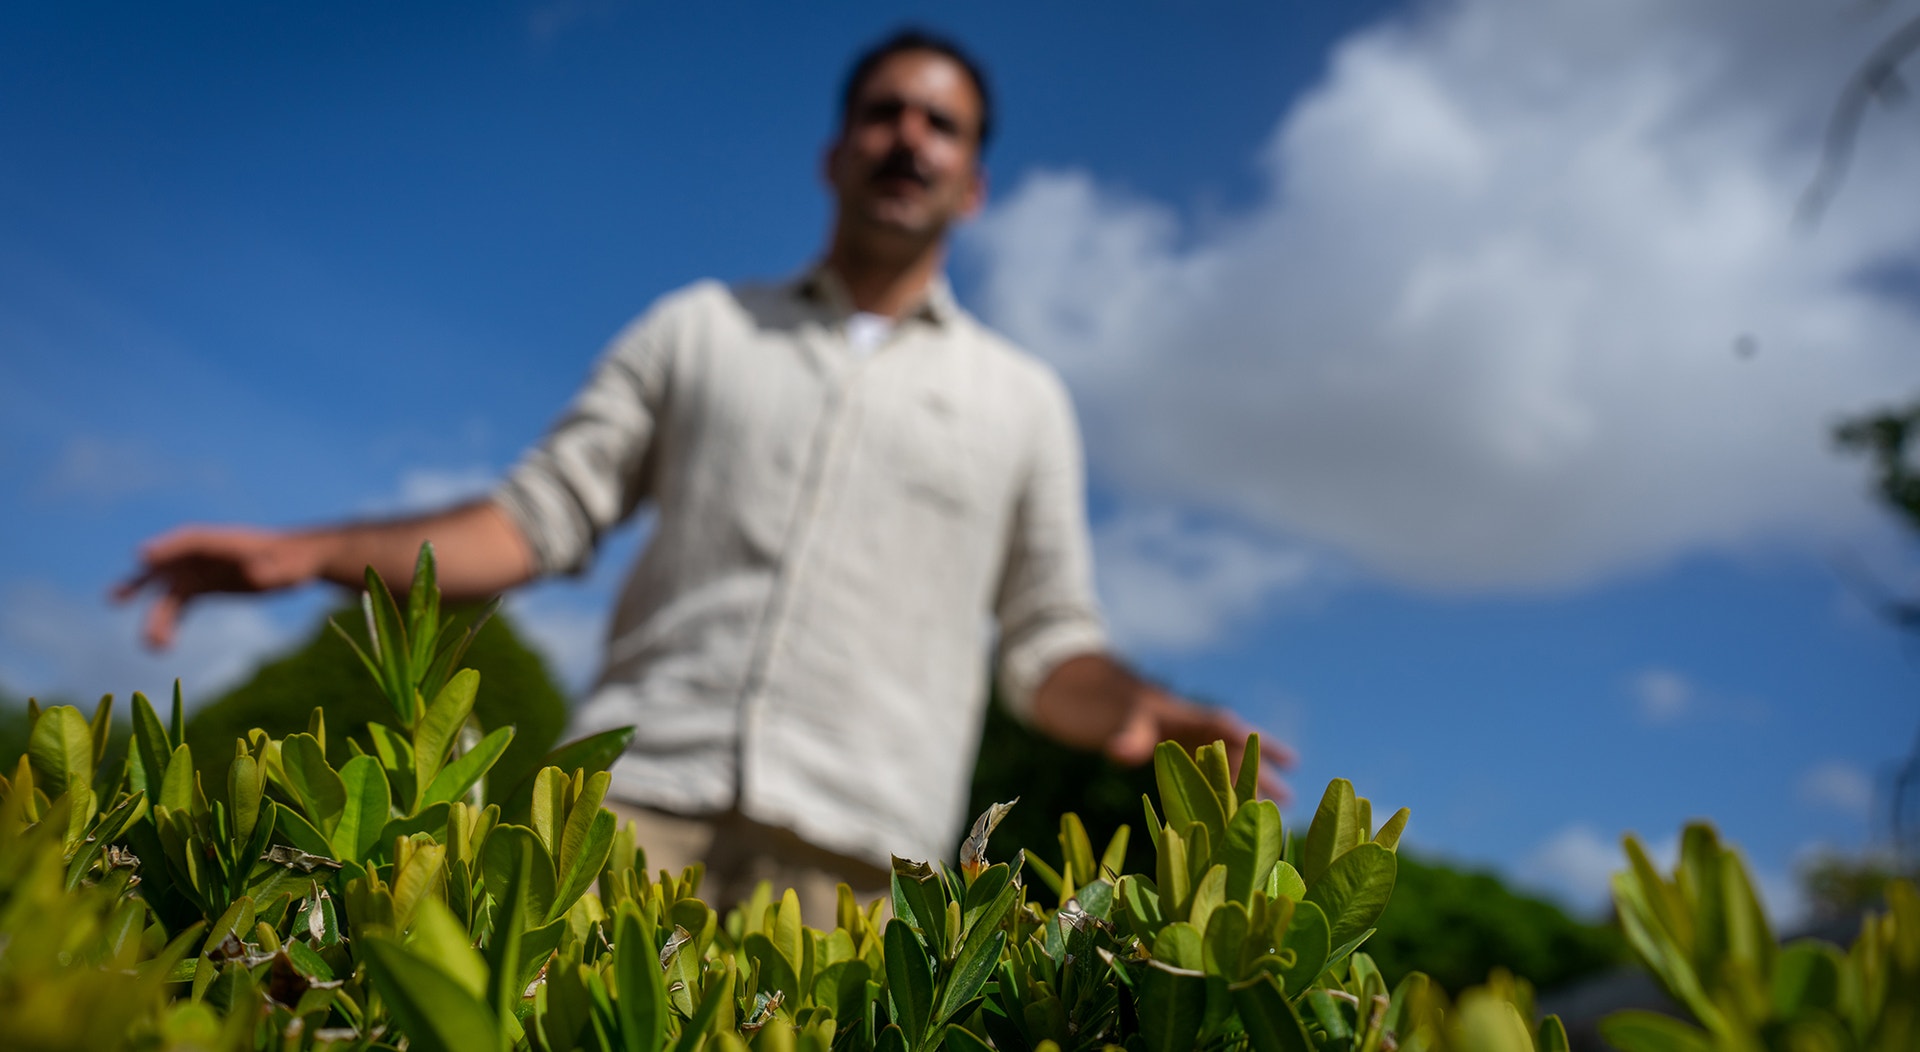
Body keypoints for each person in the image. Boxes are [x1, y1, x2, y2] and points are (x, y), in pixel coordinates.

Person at [115, 29, 1292, 924]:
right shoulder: (698, 330)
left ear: (973, 183)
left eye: (944, 126)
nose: (911, 138)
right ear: (836, 152)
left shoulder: (1023, 401)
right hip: (632, 807)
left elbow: (1048, 652)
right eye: (886, 113)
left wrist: (1138, 707)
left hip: (861, 858)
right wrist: (303, 553)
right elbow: (530, 523)